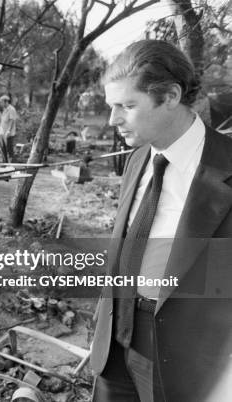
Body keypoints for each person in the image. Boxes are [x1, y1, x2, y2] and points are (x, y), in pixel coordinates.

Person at [91, 39, 232, 402]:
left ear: (170, 95)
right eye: (112, 106)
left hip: (189, 358)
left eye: (127, 105)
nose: (113, 120)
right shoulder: (137, 159)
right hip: (114, 345)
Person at [0, 94, 18, 163]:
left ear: (6, 102)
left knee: (9, 150)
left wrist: (9, 130)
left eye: (1, 102)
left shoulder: (11, 109)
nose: (0, 103)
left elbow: (12, 120)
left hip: (8, 134)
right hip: (2, 132)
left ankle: (12, 165)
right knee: (3, 150)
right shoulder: (4, 109)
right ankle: (4, 164)